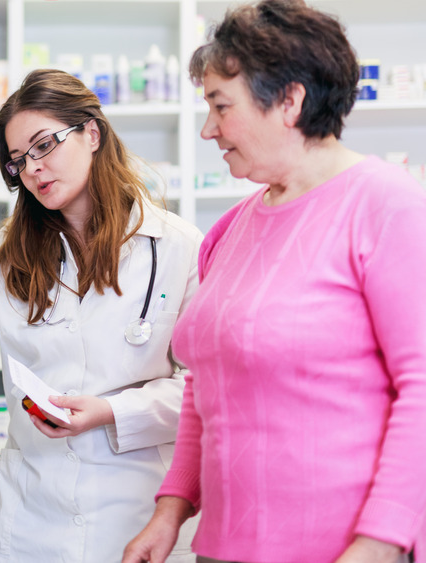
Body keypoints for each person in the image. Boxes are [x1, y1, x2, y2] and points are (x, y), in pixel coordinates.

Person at [121, 1, 426, 563]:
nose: (209, 129)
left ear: (290, 100)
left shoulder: (387, 206)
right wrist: (171, 511)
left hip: (342, 549)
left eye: (220, 106)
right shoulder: (228, 232)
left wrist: (380, 543)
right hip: (224, 547)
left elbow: (423, 386)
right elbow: (204, 388)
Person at [0, 68, 203, 562]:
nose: (33, 170)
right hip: (33, 514)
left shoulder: (177, 245)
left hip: (137, 508)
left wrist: (110, 411)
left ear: (92, 133)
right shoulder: (7, 249)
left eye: (44, 145)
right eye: (18, 161)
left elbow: (203, 387)